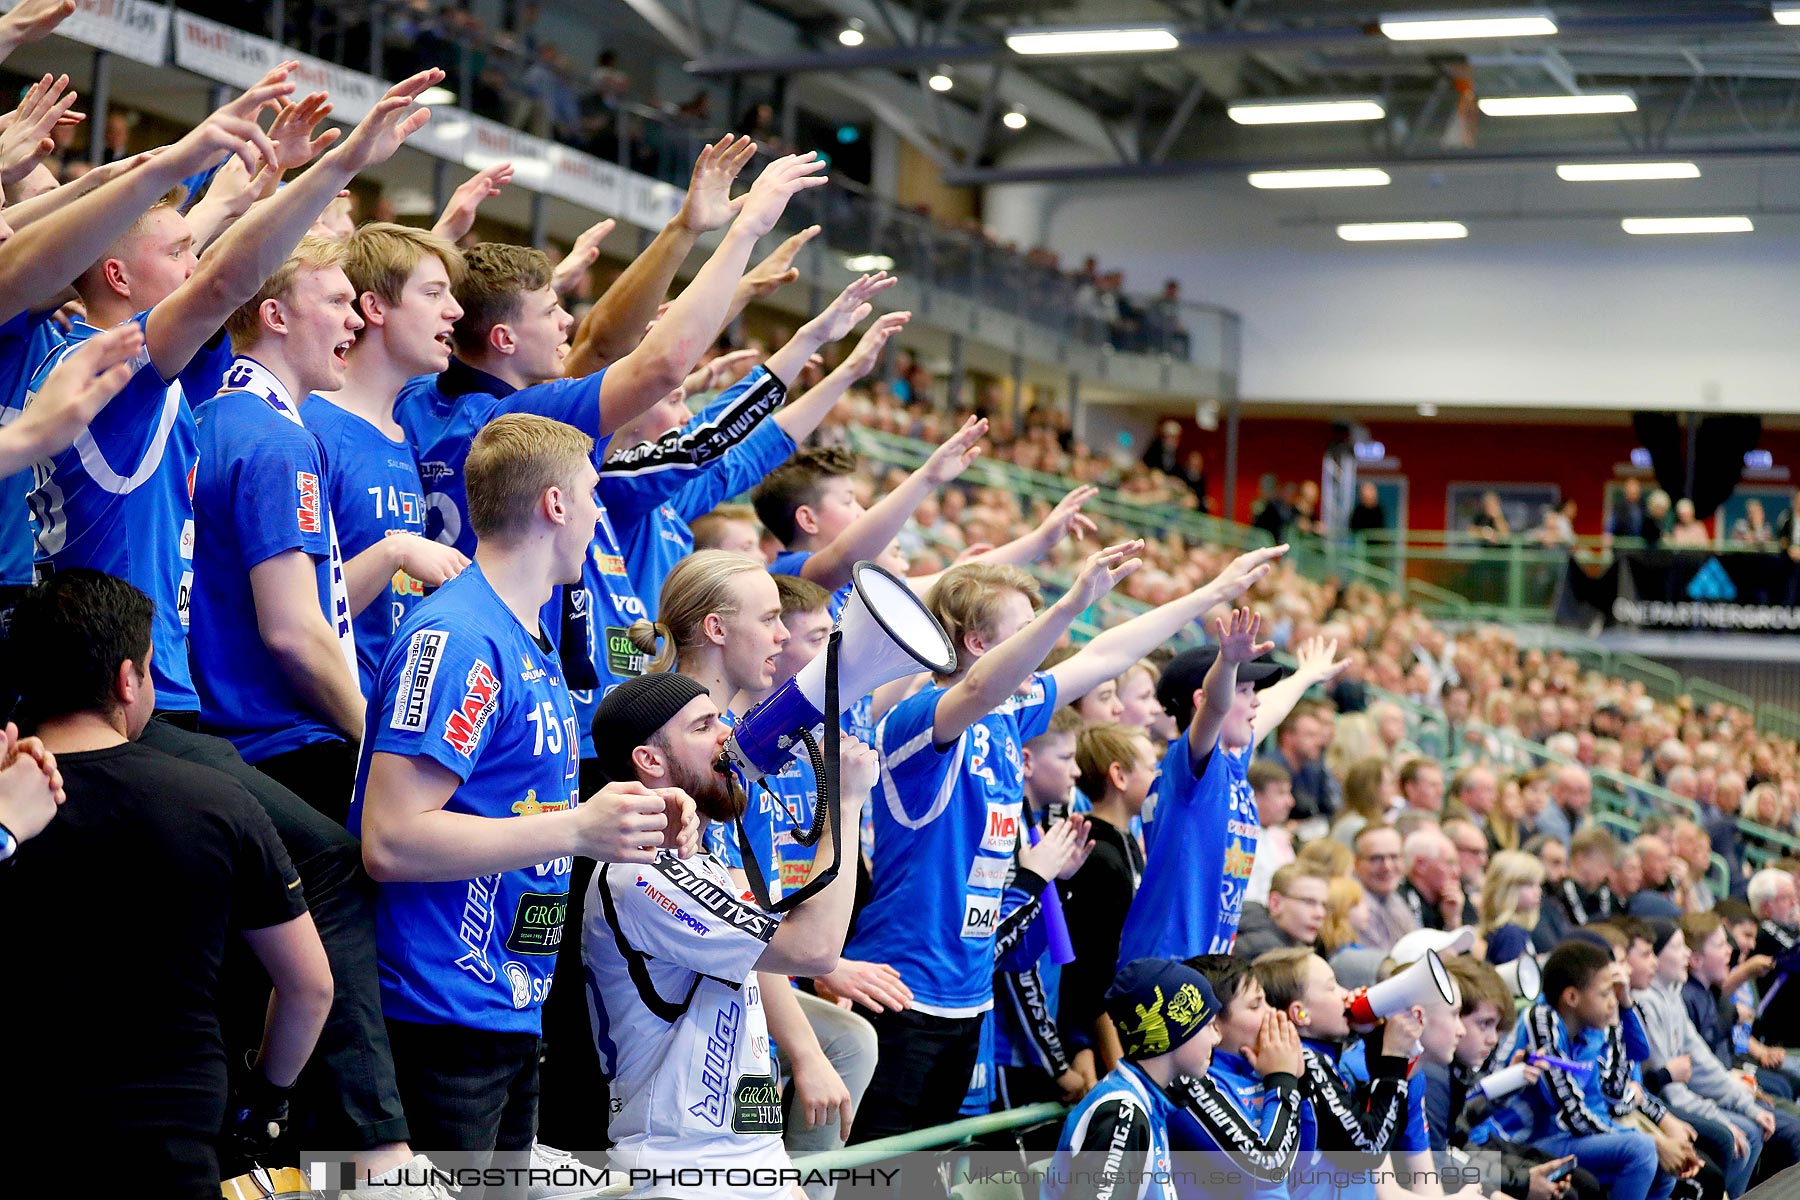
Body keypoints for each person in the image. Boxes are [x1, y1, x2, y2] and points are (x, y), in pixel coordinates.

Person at [350, 415, 699, 1191]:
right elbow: (392, 839)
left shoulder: (529, 638)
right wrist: (578, 827)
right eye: (591, 495)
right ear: (554, 506)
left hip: (505, 1006)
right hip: (436, 1011)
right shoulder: (461, 636)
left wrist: (625, 817)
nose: (599, 517)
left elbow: (515, 815)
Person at [0, 569, 332, 1197]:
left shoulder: (6, 808)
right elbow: (311, 987)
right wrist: (265, 1096)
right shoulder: (218, 803)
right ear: (128, 678)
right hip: (171, 1151)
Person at [579, 671, 878, 1200]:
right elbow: (815, 950)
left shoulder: (698, 863)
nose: (728, 734)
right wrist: (845, 803)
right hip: (680, 1177)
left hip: (744, 1166)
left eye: (722, 717)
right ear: (649, 761)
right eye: (704, 725)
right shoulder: (639, 875)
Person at [303, 222, 474, 695]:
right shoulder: (310, 425)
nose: (454, 310)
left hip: (383, 708)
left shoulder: (401, 431)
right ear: (374, 307)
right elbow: (301, 614)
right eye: (434, 293)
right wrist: (395, 551)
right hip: (322, 721)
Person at [1120, 619, 1349, 962]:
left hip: (1202, 964)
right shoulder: (1192, 769)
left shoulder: (1231, 762)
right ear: (1204, 700)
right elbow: (1214, 708)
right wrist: (1226, 665)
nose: (1256, 703)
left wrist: (1306, 675)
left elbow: (1270, 708)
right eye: (1245, 692)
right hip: (1166, 964)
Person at [1470, 941, 1679, 1200]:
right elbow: (1572, 1111)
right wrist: (1655, 1142)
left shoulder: (1587, 1033)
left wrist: (1616, 1018)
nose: (1612, 1002)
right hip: (1511, 1139)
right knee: (1644, 1149)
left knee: (1664, 1168)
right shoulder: (1541, 1019)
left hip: (1555, 1135)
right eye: (1605, 994)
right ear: (1571, 997)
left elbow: (1612, 1093)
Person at [1045, 958, 1225, 1200]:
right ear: (1175, 1031)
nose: (1217, 1038)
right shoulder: (1123, 1113)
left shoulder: (1147, 1101)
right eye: (1209, 1025)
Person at [1253, 945, 1419, 1200]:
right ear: (1300, 1014)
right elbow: (1368, 1148)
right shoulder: (1306, 1063)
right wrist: (1394, 1056)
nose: (1345, 995)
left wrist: (1377, 1039)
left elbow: (1388, 1123)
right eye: (1332, 987)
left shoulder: (1325, 1059)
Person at [1427, 956, 1594, 1200]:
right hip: (1458, 1164)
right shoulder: (1434, 1077)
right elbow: (1443, 1158)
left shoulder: (1455, 1070)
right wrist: (1521, 1183)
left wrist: (1508, 1084)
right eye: (1484, 1025)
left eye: (1496, 1028)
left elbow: (1461, 1128)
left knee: (1579, 1184)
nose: (1493, 1039)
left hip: (1465, 1156)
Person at [1063, 721, 1155, 1067]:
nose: (1158, 777)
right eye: (1151, 768)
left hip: (1116, 1021)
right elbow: (1090, 968)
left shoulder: (1123, 841)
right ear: (1119, 775)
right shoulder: (1098, 854)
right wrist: (1111, 1061)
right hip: (1096, 1035)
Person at [1173, 955, 1306, 1184]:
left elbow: (1305, 1162)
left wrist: (1298, 1081)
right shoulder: (1191, 1083)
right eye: (1256, 1005)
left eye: (1266, 1001)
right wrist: (1283, 1081)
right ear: (1213, 1024)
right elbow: (1267, 1170)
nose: (1274, 1014)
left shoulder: (1261, 1070)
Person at [1234, 862, 1330, 960]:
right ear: (1276, 904)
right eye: (1309, 902)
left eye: (1324, 905)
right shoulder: (1266, 955)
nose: (1320, 914)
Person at [1349, 825, 1418, 955]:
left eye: (1394, 857)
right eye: (1376, 858)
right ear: (1356, 863)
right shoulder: (1354, 907)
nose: (1387, 866)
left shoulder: (1395, 898)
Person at [1399, 826, 1474, 932]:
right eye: (1449, 863)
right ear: (1420, 865)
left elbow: (1477, 946)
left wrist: (1453, 921)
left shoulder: (1455, 896)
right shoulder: (1401, 901)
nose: (1457, 872)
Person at [1478, 850, 1547, 963]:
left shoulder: (1511, 931)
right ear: (1506, 889)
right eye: (1529, 884)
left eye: (1538, 884)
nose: (1538, 892)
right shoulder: (1511, 935)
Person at [1244, 760, 1297, 907]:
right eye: (1281, 793)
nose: (1290, 802)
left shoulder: (1278, 836)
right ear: (1254, 795)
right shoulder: (1240, 839)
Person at [1535, 764, 1593, 848]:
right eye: (1580, 792)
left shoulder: (1575, 816)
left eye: (1588, 792)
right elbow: (1568, 856)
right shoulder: (1548, 820)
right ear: (1559, 792)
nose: (1587, 799)